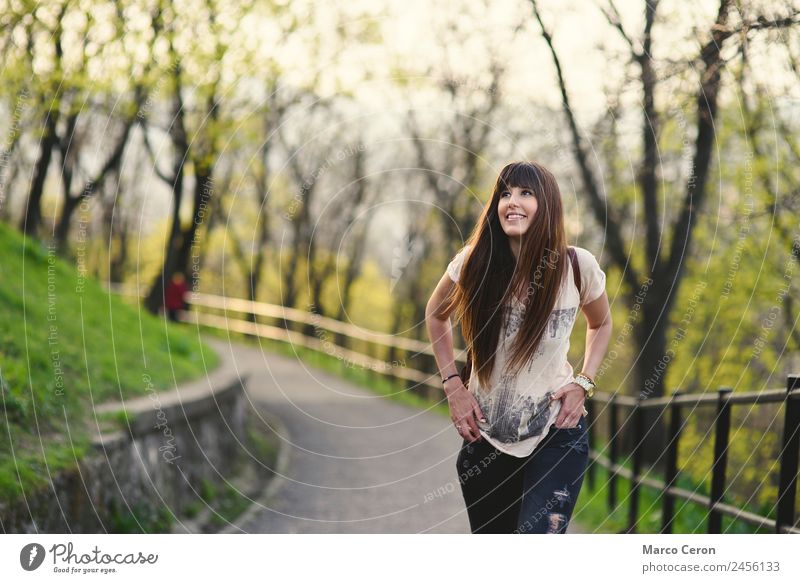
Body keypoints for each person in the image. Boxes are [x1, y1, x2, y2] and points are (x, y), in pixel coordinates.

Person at [425, 161, 612, 534]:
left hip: (557, 432)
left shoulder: (577, 266)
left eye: (526, 193)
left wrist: (584, 382)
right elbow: (435, 314)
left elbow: (602, 323)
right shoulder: (474, 263)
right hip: (486, 437)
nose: (513, 202)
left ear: (548, 205)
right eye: (505, 193)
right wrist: (453, 386)